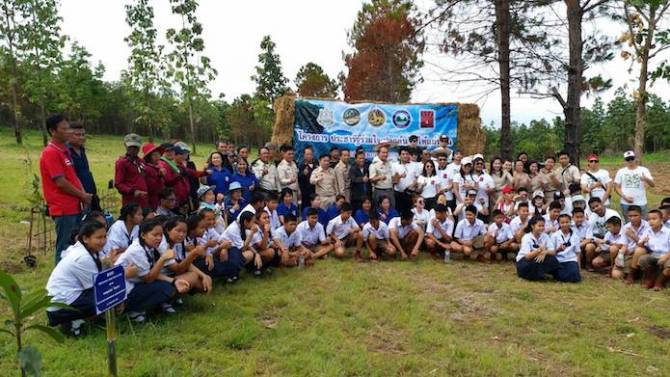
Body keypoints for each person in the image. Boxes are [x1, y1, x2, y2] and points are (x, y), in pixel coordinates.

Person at [115, 219, 189, 322]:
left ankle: (143, 308)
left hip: (135, 283)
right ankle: (133, 310)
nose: (159, 238)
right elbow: (149, 278)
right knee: (165, 289)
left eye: (160, 235)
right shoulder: (137, 251)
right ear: (143, 235)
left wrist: (174, 281)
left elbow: (151, 272)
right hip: (122, 290)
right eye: (155, 235)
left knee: (169, 286)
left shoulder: (149, 247)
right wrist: (163, 259)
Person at [40, 114, 91, 264]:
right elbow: (60, 182)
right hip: (63, 208)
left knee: (75, 245)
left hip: (74, 206)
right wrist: (82, 195)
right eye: (64, 128)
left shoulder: (65, 151)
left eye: (68, 127)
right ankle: (59, 283)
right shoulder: (51, 153)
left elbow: (73, 177)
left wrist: (83, 195)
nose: (68, 131)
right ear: (53, 131)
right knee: (64, 246)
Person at [46, 222, 107, 336]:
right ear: (85, 238)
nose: (103, 241)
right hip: (59, 308)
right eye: (98, 237)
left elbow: (104, 265)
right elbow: (99, 286)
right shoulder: (82, 257)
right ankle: (71, 322)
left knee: (109, 294)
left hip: (67, 298)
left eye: (105, 236)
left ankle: (82, 317)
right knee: (107, 296)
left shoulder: (89, 250)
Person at [516, 216, 560, 281]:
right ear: (532, 226)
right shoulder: (526, 237)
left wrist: (545, 252)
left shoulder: (545, 236)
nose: (542, 228)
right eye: (539, 226)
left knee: (552, 259)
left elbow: (553, 252)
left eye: (543, 226)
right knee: (533, 265)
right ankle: (535, 276)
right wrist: (539, 250)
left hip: (537, 258)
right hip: (525, 261)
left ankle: (538, 275)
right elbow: (527, 257)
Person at [635, 210, 670, 290]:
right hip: (653, 255)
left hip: (667, 255)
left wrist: (665, 257)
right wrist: (643, 242)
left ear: (661, 219)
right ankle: (649, 279)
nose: (651, 221)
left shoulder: (668, 232)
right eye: (649, 219)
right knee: (643, 259)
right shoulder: (647, 231)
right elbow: (640, 244)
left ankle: (659, 282)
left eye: (654, 219)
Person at [68, 122, 99, 211]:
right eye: (77, 135)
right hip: (77, 196)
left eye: (83, 134)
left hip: (89, 193)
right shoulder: (66, 152)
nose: (81, 137)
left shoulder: (81, 150)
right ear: (69, 135)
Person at [614, 150, 655, 217]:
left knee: (643, 222)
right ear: (625, 160)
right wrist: (624, 197)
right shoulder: (621, 171)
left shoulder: (644, 170)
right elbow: (616, 187)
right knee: (628, 223)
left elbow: (653, 185)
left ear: (635, 158)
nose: (630, 161)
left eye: (632, 158)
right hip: (625, 203)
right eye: (628, 159)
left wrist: (646, 179)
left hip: (641, 202)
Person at [614, 206, 650, 281]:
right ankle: (633, 272)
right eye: (630, 216)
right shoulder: (626, 227)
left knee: (639, 250)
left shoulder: (648, 226)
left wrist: (633, 236)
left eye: (635, 215)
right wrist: (620, 255)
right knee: (616, 275)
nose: (632, 218)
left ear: (641, 215)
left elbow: (646, 245)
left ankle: (632, 274)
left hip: (643, 252)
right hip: (629, 253)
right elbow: (624, 244)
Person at [115, 133, 149, 209]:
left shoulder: (141, 161)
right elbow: (118, 184)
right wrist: (132, 191)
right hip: (131, 202)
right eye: (130, 147)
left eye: (136, 147)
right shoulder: (122, 163)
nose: (133, 150)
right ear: (126, 146)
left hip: (144, 201)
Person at [549, 214, 582, 282]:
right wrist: (558, 249)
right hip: (559, 260)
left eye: (567, 222)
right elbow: (551, 251)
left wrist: (579, 269)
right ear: (559, 224)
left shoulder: (575, 236)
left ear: (570, 222)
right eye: (562, 223)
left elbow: (577, 253)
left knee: (575, 277)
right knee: (563, 275)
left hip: (571, 259)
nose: (565, 224)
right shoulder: (554, 236)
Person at [393, 147, 419, 213]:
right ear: (399, 155)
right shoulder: (394, 165)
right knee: (399, 212)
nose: (405, 156)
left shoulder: (415, 165)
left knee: (411, 212)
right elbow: (393, 181)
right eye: (403, 154)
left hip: (411, 194)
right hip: (398, 194)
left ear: (409, 155)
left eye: (407, 154)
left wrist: (413, 184)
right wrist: (399, 177)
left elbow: (418, 179)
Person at [141, 143, 166, 210]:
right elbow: (151, 187)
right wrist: (159, 176)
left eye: (158, 154)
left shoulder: (159, 167)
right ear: (149, 157)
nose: (157, 157)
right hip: (152, 201)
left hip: (160, 199)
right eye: (154, 155)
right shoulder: (147, 169)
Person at [298, 146, 317, 211]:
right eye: (307, 154)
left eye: (311, 154)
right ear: (304, 155)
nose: (309, 156)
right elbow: (298, 178)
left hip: (315, 192)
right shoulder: (301, 165)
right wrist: (303, 174)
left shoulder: (316, 164)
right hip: (305, 194)